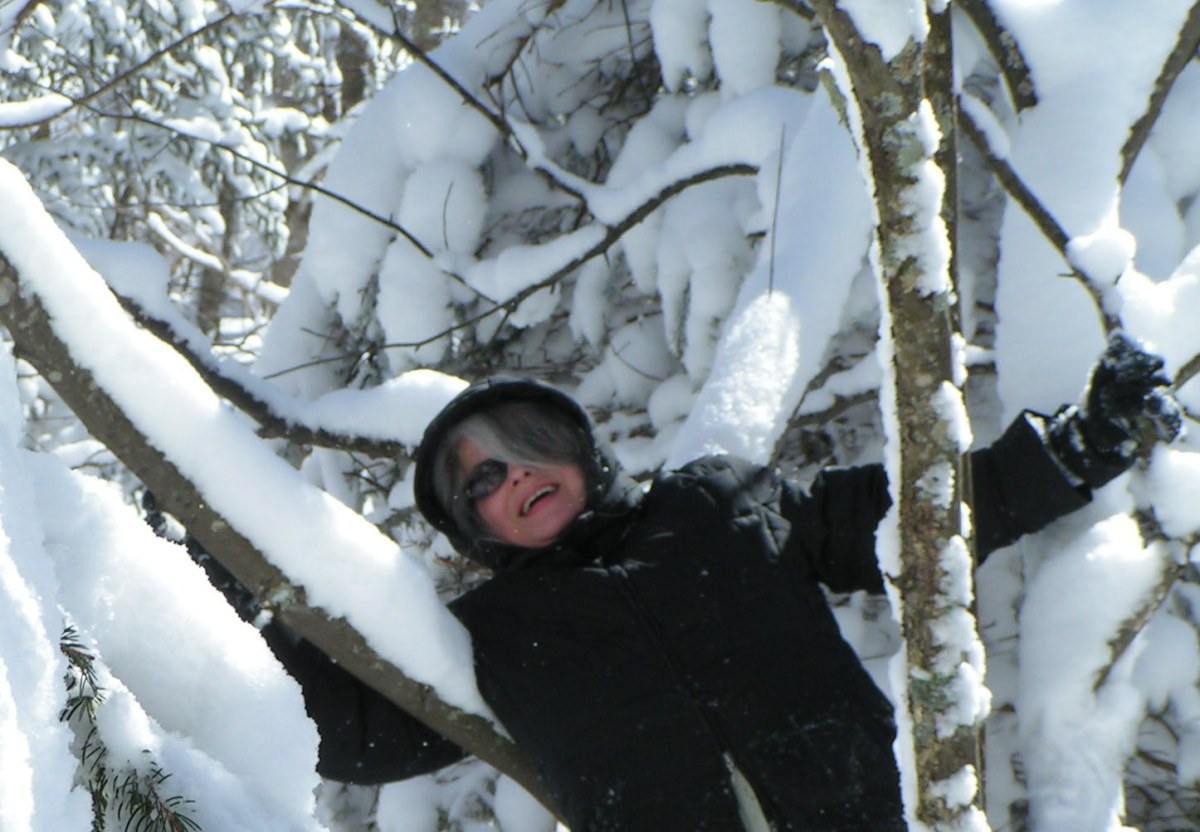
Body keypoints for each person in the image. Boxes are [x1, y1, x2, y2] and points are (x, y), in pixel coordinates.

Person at [238, 333, 1180, 831]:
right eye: (481, 480)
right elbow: (352, 732)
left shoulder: (718, 508)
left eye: (528, 446)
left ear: (578, 448)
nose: (514, 475)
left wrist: (1075, 450)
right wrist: (235, 591)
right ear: (471, 526)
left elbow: (917, 519)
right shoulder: (493, 633)